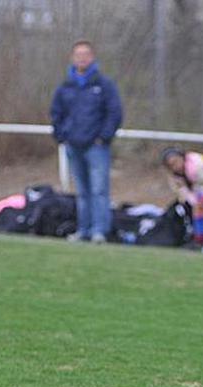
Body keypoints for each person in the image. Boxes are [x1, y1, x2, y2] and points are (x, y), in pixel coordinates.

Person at [50, 40, 123, 244]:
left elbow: (114, 112)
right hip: (73, 145)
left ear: (92, 57)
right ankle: (84, 230)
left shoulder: (104, 85)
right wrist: (61, 135)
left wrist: (103, 137)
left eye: (85, 55)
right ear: (73, 58)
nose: (82, 58)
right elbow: (56, 113)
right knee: (82, 192)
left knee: (99, 190)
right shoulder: (65, 86)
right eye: (78, 55)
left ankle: (100, 231)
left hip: (96, 146)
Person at [161, 147, 203, 246]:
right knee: (192, 205)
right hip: (201, 193)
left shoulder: (197, 164)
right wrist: (195, 201)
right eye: (171, 165)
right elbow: (184, 193)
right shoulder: (175, 177)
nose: (175, 166)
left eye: (176, 161)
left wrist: (198, 199)